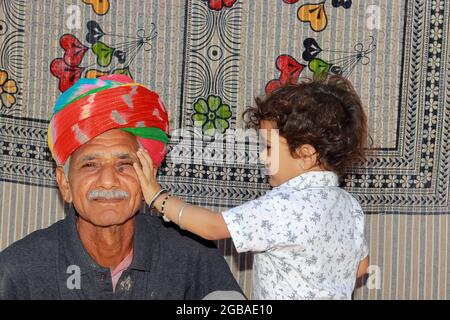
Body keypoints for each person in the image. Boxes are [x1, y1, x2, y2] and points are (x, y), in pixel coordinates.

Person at [0, 75, 244, 300]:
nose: (108, 180)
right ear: (65, 184)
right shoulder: (18, 270)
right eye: (90, 165)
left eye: (124, 165)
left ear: (147, 178)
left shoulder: (192, 254)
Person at [134, 75, 370, 300]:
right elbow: (360, 267)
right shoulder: (350, 205)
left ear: (305, 155)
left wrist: (158, 197)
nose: (262, 157)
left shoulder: (283, 205)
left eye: (268, 147)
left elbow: (212, 227)